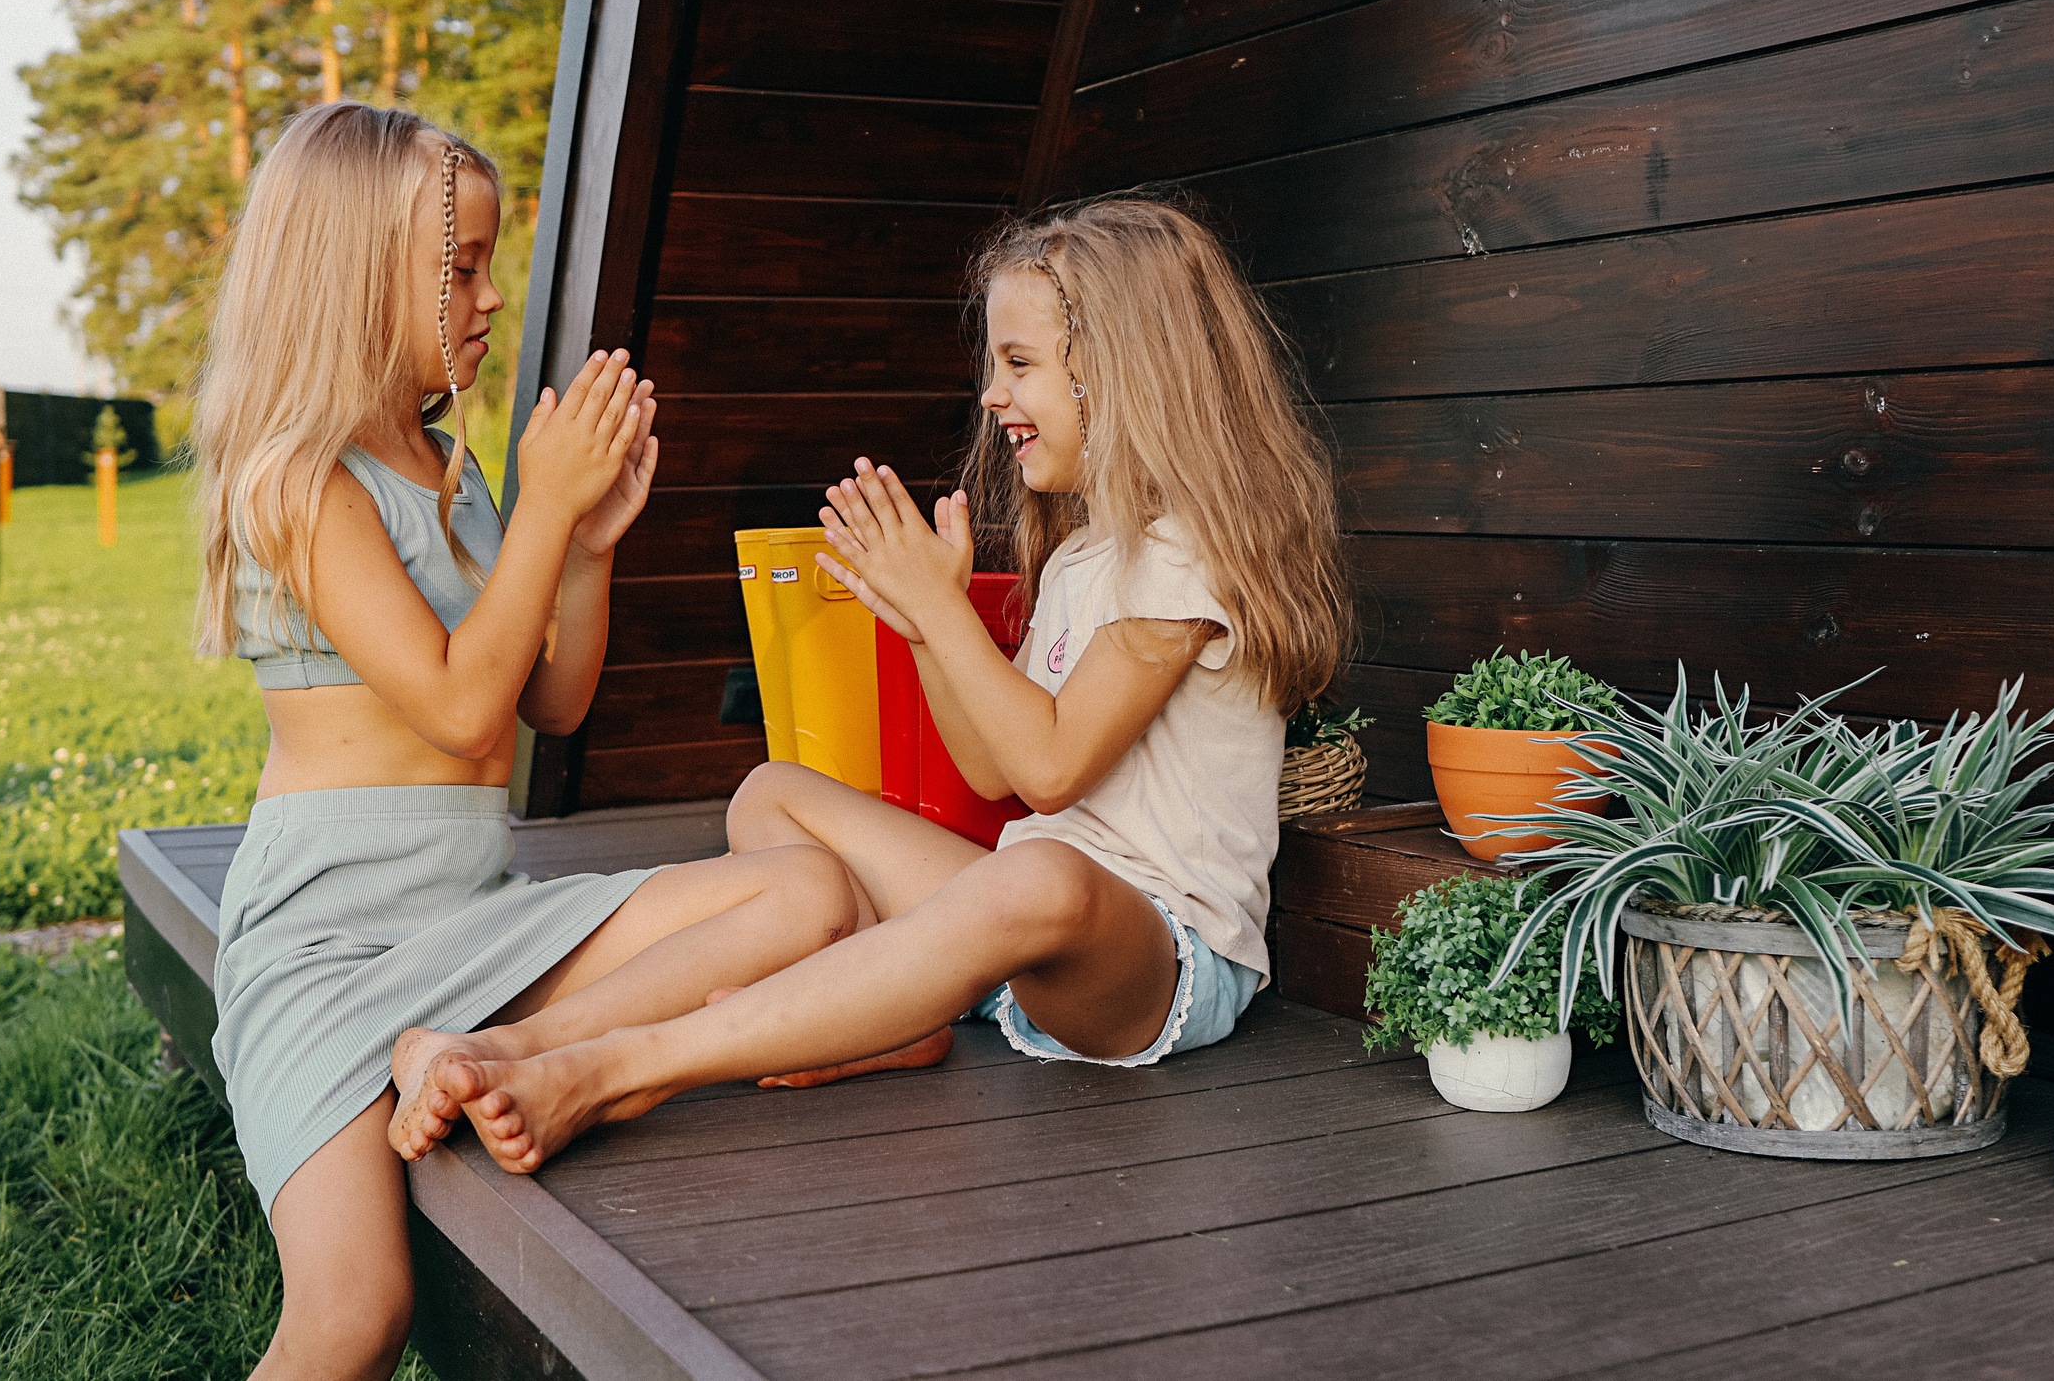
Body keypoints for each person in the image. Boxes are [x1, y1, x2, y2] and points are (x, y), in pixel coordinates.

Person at [422, 194, 1351, 1173]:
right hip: (1020, 932)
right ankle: (880, 1016)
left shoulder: (1186, 557)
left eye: (1020, 364)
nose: (993, 396)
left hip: (1158, 964)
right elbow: (992, 772)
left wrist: (944, 614)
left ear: (1129, 371)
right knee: (774, 793)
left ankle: (618, 1066)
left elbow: (1047, 772)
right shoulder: (1086, 554)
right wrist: (921, 624)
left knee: (1037, 875)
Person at [193, 101, 900, 1381]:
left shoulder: (444, 470)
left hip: (474, 917)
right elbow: (461, 705)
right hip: (331, 942)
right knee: (356, 1315)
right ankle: (485, 1056)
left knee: (811, 886)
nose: (485, 294)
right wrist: (544, 511)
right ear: (354, 274)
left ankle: (508, 1058)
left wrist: (580, 544)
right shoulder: (298, 481)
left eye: (487, 266)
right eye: (457, 267)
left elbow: (548, 704)